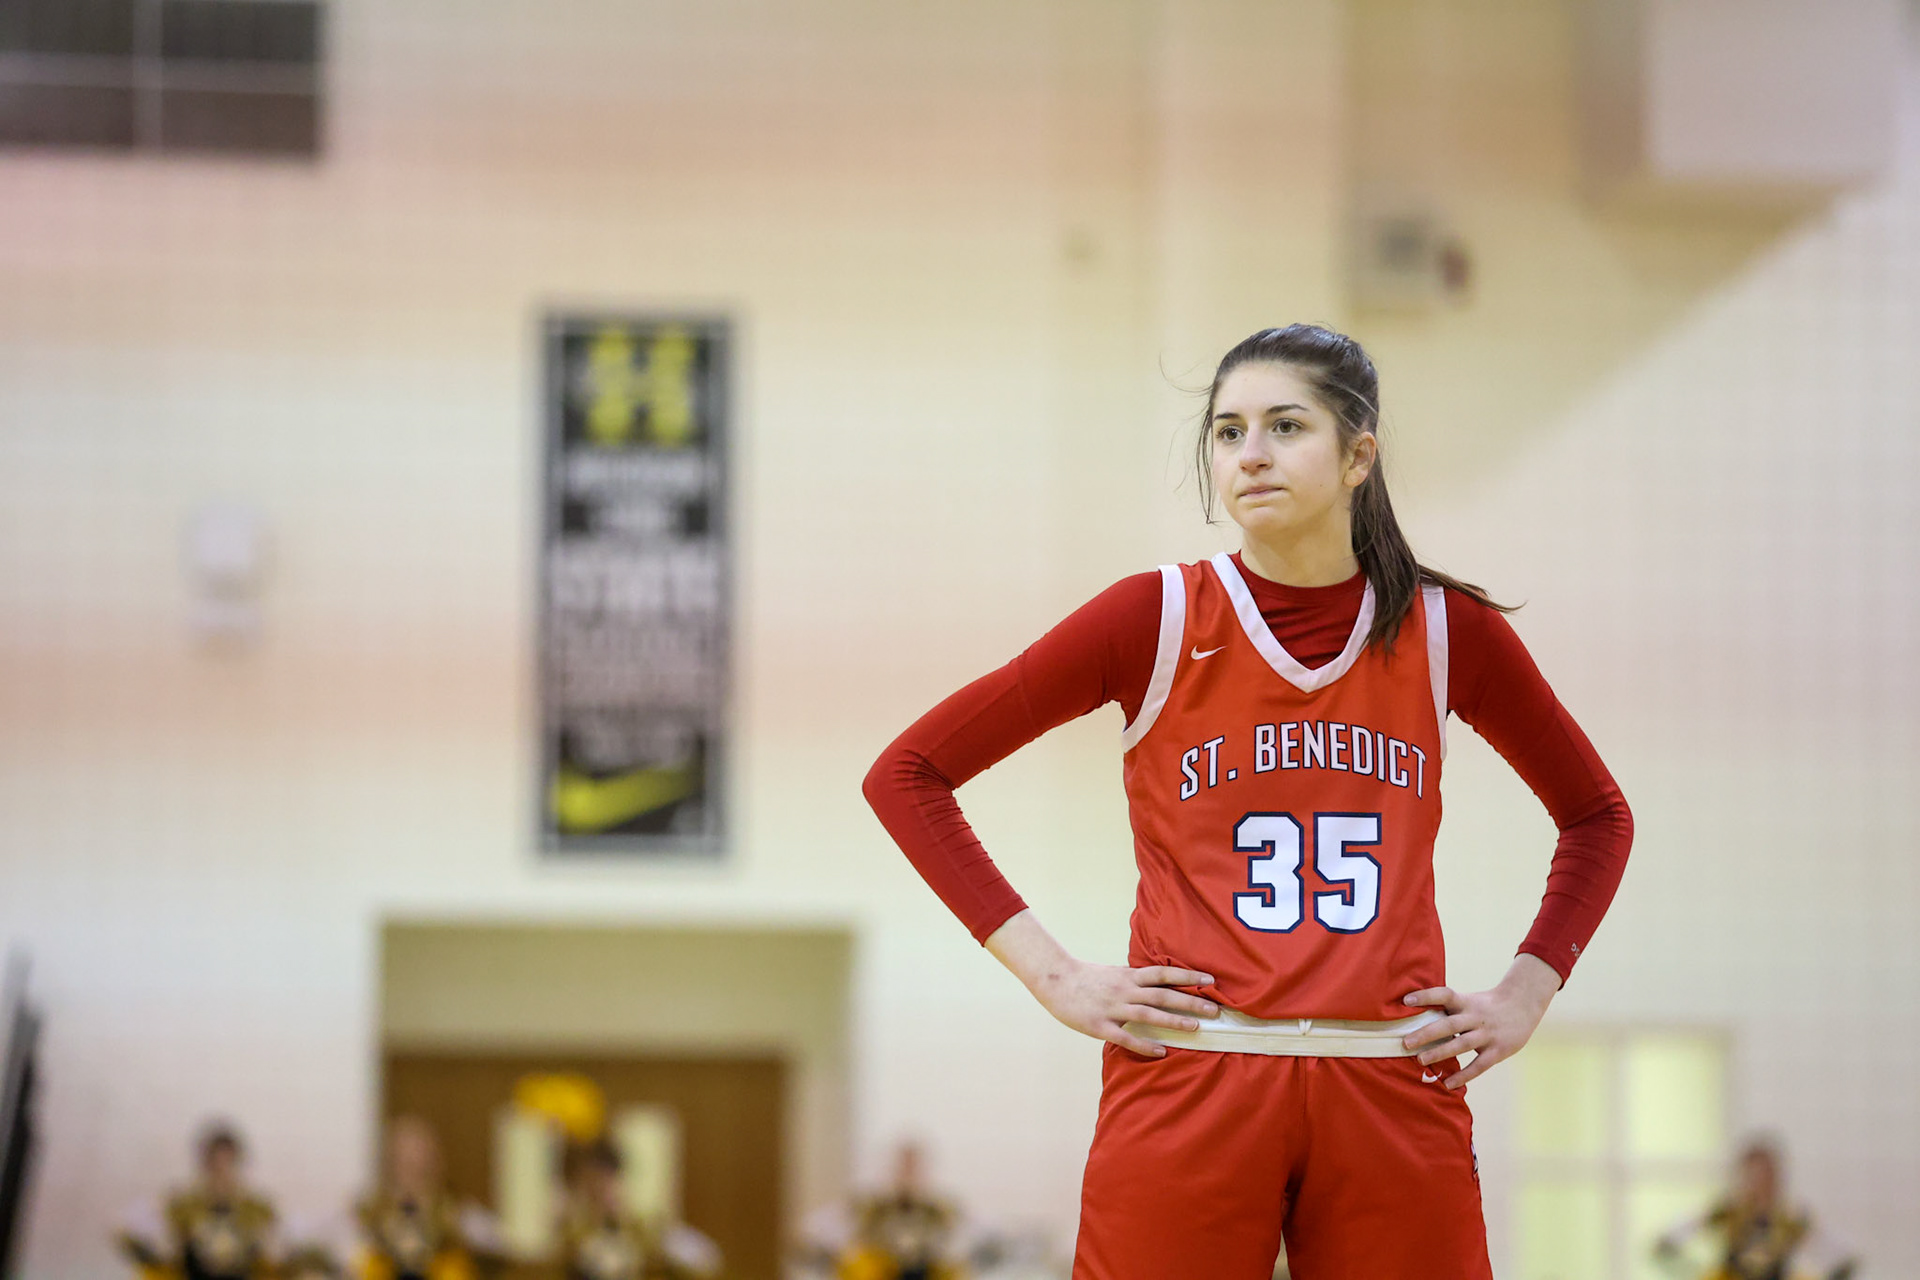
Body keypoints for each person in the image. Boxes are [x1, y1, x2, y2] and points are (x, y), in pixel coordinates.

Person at [864, 325, 1634, 1278]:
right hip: (1191, 1069)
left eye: (1284, 425)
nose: (1251, 454)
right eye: (1228, 433)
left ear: (1360, 455)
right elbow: (907, 774)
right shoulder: (1154, 616)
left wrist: (1529, 989)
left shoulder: (1446, 631)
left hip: (1392, 1075)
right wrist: (1055, 976)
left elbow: (1598, 815)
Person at [1654, 1137, 1858, 1280]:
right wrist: (1698, 1272)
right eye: (1753, 1175)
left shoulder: (1791, 1216)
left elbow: (1844, 1257)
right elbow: (1668, 1242)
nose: (1760, 1183)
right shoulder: (1727, 1211)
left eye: (1767, 1175)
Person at [115, 1123, 281, 1280]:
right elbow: (167, 1255)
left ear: (237, 1162)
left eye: (227, 1161)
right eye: (215, 1161)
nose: (221, 1168)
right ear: (205, 1163)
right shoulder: (182, 1206)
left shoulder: (257, 1208)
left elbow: (268, 1258)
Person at [352, 1116, 500, 1280]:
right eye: (404, 1163)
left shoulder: (460, 1216)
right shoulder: (363, 1218)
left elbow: (505, 1241)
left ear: (436, 1164)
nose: (412, 1174)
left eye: (421, 1164)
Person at [557, 1138, 721, 1280]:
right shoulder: (573, 1230)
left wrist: (658, 1244)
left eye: (603, 1180)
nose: (597, 1189)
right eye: (588, 1182)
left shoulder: (644, 1223)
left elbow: (706, 1260)